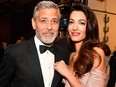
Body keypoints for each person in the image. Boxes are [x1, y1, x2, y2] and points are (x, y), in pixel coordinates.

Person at [0, 1, 70, 87]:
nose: (49, 27)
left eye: (54, 21)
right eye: (43, 21)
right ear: (34, 23)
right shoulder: (14, 53)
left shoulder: (64, 54)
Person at [54, 3, 106, 87]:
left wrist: (67, 73)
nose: (75, 27)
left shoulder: (96, 53)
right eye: (71, 22)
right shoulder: (72, 56)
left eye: (81, 23)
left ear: (89, 27)